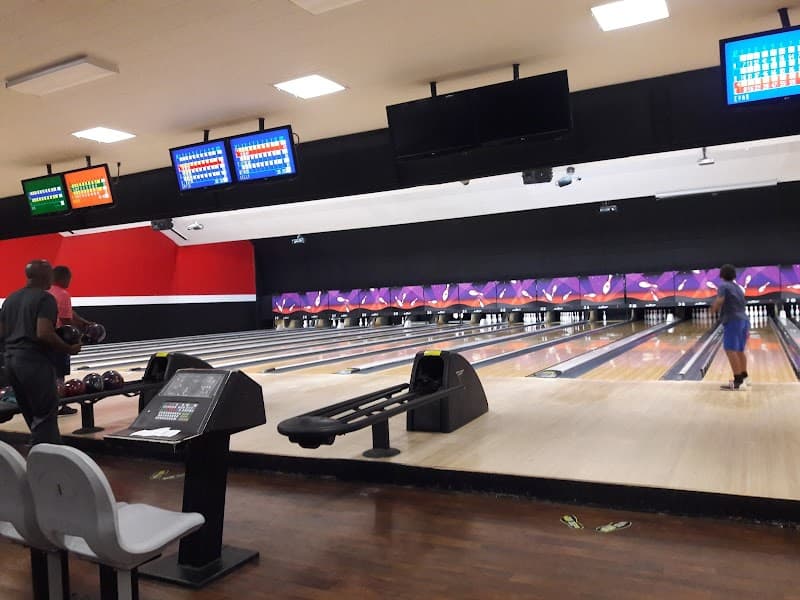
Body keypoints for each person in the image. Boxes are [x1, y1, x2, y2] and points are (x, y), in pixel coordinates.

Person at [0, 260, 81, 445]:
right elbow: (44, 333)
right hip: (34, 362)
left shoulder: (11, 298)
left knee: (32, 415)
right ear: (44, 276)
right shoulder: (45, 299)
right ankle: (50, 461)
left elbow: (1, 333)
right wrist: (69, 348)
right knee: (45, 416)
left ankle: (38, 452)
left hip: (11, 363)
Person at [48, 265, 93, 415]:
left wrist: (82, 321)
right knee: (59, 373)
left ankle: (49, 403)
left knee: (49, 372)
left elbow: (70, 312)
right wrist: (79, 335)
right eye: (69, 279)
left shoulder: (46, 291)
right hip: (60, 339)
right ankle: (59, 405)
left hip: (45, 339)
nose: (70, 282)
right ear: (63, 278)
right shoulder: (63, 294)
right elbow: (66, 319)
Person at [710, 264, 749, 390]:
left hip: (733, 320)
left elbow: (720, 300)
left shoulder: (723, 286)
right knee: (739, 350)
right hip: (744, 320)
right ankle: (743, 376)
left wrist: (713, 309)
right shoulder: (738, 287)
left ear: (721, 275)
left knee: (730, 349)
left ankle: (738, 381)